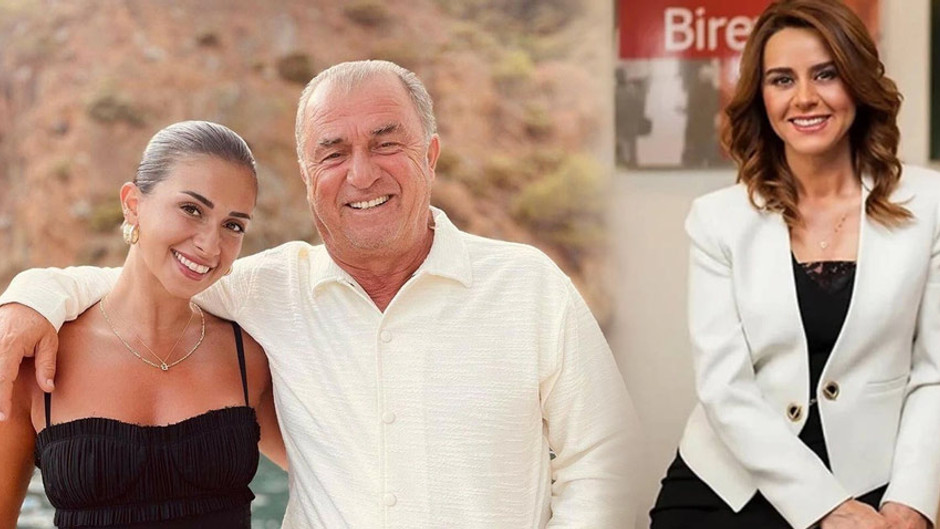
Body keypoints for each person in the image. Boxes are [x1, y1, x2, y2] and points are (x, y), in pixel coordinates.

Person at [0, 61, 638, 528]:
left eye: (386, 143)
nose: (361, 173)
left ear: (431, 155)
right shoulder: (266, 291)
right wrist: (31, 298)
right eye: (333, 153)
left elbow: (605, 462)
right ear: (308, 177)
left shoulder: (529, 286)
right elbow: (153, 282)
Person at [648, 1, 940, 528]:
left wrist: (910, 505)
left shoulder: (931, 203)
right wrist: (828, 507)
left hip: (874, 477)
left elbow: (935, 374)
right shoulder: (716, 219)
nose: (804, 97)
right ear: (762, 97)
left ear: (857, 83)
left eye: (825, 74)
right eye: (782, 79)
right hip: (733, 482)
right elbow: (723, 388)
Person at [0, 120, 286, 528]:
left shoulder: (248, 357)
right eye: (192, 209)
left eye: (233, 225)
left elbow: (338, 476)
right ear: (133, 204)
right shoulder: (36, 357)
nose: (210, 245)